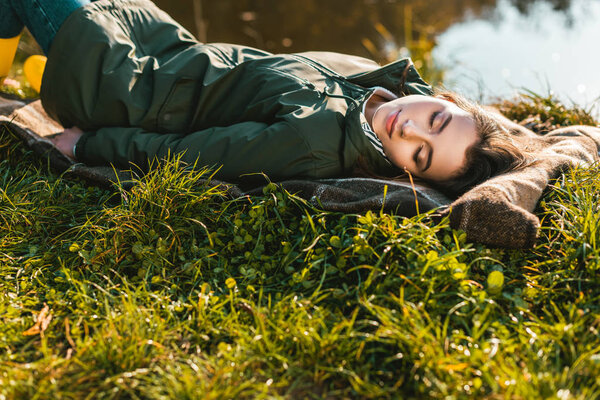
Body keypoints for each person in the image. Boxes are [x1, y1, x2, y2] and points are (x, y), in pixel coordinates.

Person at [1, 0, 527, 197]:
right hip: (166, 49)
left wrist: (90, 145)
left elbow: (191, 156)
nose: (408, 130)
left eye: (421, 154)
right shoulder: (373, 89)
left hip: (125, 89)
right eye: (434, 119)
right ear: (439, 97)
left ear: (406, 173)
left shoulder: (313, 142)